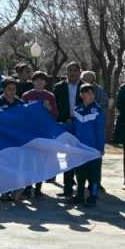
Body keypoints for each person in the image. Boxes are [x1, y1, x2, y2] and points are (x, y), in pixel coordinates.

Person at [69, 84, 106, 207]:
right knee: (80, 173)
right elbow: (73, 128)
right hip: (79, 148)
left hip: (93, 149)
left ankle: (93, 196)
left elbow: (100, 131)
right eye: (87, 93)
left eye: (92, 93)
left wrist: (100, 148)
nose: (90, 95)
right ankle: (79, 195)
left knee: (94, 174)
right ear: (81, 94)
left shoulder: (98, 110)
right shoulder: (77, 110)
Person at [53, 62, 83, 197]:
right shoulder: (59, 87)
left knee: (77, 155)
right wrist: (64, 119)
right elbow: (56, 107)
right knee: (63, 156)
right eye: (70, 70)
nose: (72, 73)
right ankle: (67, 186)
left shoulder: (85, 87)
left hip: (80, 125)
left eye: (75, 70)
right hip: (64, 125)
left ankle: (79, 185)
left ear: (80, 72)